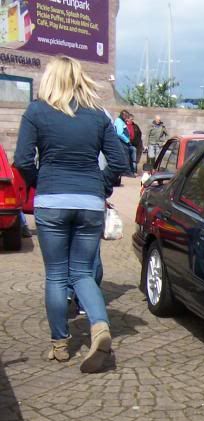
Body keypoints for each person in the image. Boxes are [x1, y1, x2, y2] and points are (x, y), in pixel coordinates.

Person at [14, 55, 128, 372]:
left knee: (56, 275)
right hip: (89, 202)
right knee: (82, 272)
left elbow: (23, 161)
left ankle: (60, 345)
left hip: (52, 200)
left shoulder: (36, 111)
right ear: (81, 79)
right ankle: (100, 326)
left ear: (50, 79)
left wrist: (43, 184)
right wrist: (99, 187)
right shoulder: (98, 116)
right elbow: (119, 164)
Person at [113, 109, 136, 175]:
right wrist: (127, 140)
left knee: (126, 156)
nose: (127, 118)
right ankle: (127, 172)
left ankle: (126, 172)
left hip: (123, 142)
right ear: (123, 115)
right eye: (126, 116)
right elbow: (119, 133)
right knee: (126, 157)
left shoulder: (120, 121)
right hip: (122, 142)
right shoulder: (119, 121)